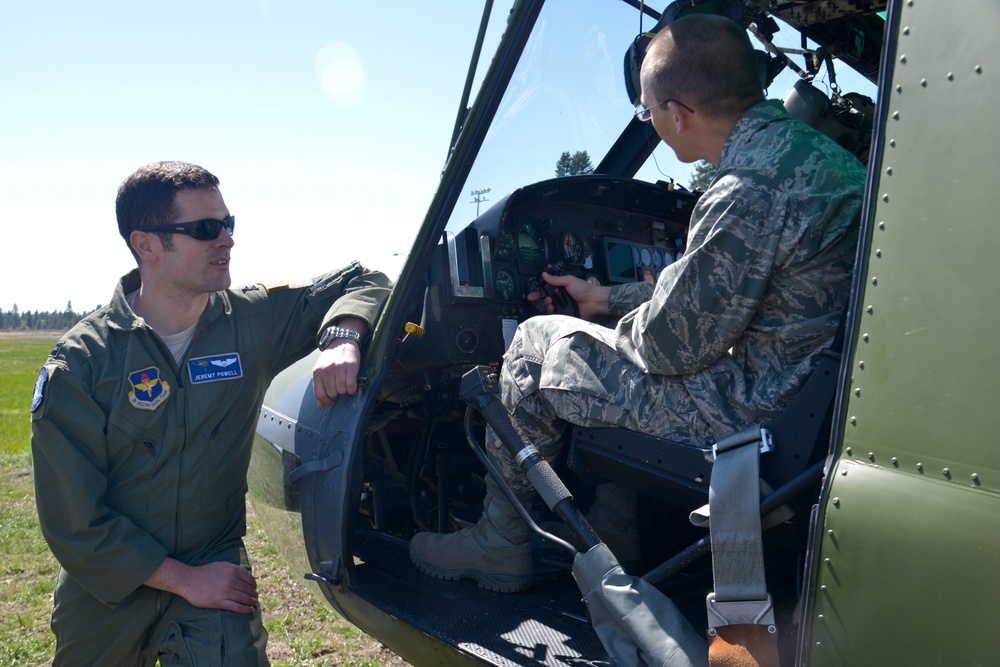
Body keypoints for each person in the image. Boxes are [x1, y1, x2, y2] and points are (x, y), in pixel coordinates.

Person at [409, 13, 866, 593]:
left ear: (676, 113)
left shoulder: (745, 188)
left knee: (534, 344)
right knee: (604, 356)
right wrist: (605, 297)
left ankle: (500, 541)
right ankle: (616, 527)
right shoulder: (819, 161)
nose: (649, 123)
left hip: (752, 414)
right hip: (805, 399)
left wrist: (592, 322)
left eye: (645, 112)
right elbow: (721, 293)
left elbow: (665, 345)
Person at [30, 161, 392, 665]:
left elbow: (364, 278)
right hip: (108, 581)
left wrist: (344, 334)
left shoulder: (251, 321)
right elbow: (74, 524)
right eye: (205, 229)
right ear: (147, 245)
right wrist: (185, 580)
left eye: (228, 224)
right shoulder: (82, 364)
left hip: (213, 561)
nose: (226, 240)